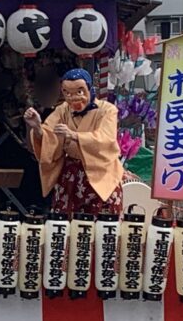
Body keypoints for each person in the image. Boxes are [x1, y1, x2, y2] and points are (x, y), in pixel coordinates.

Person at [24, 67, 124, 215]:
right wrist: (38, 128)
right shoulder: (62, 110)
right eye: (67, 93)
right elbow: (49, 134)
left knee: (103, 222)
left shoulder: (107, 110)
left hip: (102, 172)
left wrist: (74, 136)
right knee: (64, 221)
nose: (73, 97)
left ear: (90, 88)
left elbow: (106, 139)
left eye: (80, 91)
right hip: (71, 174)